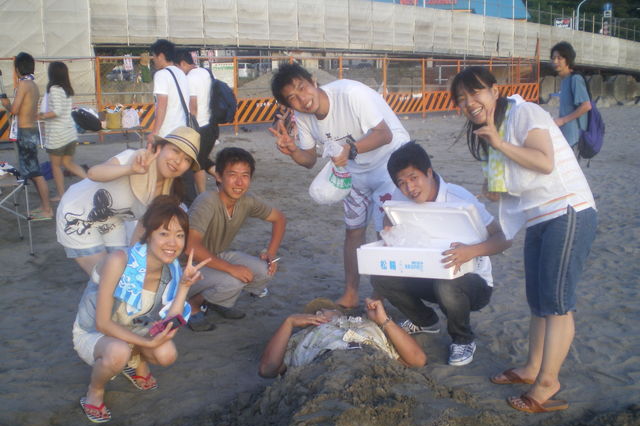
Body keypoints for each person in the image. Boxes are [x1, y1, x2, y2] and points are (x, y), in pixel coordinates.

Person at [450, 66, 597, 413]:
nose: (469, 103)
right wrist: (493, 188)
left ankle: (548, 381)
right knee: (538, 301)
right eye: (461, 99)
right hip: (539, 217)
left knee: (557, 302)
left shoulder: (524, 112)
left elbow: (544, 162)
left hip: (568, 210)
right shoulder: (492, 130)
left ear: (494, 90)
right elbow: (512, 181)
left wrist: (499, 144)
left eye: (475, 93)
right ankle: (533, 367)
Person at [269, 63, 409, 312]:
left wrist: (350, 149)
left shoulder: (350, 94)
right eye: (292, 98)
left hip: (390, 162)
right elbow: (309, 160)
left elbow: (384, 134)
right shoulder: (303, 117)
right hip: (353, 168)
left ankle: (379, 295)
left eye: (302, 87)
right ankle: (351, 293)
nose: (302, 99)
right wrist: (292, 150)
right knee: (353, 230)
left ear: (313, 81)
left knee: (384, 231)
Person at [371, 141, 511, 366]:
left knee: (447, 282)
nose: (409, 188)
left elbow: (504, 238)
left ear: (429, 172)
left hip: (472, 282)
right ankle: (424, 321)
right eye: (402, 183)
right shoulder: (399, 197)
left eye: (413, 178)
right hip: (425, 273)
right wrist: (389, 230)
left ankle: (463, 338)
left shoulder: (459, 197)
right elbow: (388, 221)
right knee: (380, 277)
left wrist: (470, 251)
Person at [73, 195, 210, 423]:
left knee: (167, 354)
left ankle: (136, 360)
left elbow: (169, 321)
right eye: (164, 233)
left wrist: (185, 286)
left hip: (134, 327)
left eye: (179, 235)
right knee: (118, 352)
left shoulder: (173, 270)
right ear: (148, 234)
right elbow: (102, 323)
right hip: (96, 332)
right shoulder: (120, 261)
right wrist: (147, 343)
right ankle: (94, 391)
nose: (172, 243)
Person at [56, 126, 201, 276]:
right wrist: (131, 169)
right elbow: (93, 173)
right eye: (175, 151)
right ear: (160, 148)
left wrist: (133, 265)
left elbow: (141, 228)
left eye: (187, 159)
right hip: (78, 213)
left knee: (123, 273)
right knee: (104, 276)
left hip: (113, 220)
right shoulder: (134, 158)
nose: (178, 161)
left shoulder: (167, 193)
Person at [186, 147, 286, 329]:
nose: (239, 182)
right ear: (218, 176)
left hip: (215, 256)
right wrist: (231, 268)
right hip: (186, 266)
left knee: (265, 269)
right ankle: (192, 305)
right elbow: (191, 248)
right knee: (234, 278)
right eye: (232, 174)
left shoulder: (247, 200)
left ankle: (215, 301)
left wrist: (271, 253)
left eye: (245, 176)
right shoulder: (207, 201)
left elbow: (279, 218)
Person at [259, 298, 427, 378]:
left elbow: (418, 359)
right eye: (313, 314)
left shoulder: (370, 325)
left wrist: (383, 321)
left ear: (339, 313)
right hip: (324, 369)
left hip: (371, 364)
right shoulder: (303, 336)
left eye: (322, 310)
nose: (317, 314)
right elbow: (267, 369)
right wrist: (289, 323)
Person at [0, 52, 53, 220]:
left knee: (35, 173)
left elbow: (15, 110)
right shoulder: (32, 84)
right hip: (30, 131)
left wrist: (6, 104)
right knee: (33, 172)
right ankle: (44, 206)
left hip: (26, 133)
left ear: (17, 69)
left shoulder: (23, 84)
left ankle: (47, 209)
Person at [38, 61, 86, 201]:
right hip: (70, 134)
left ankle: (61, 194)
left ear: (52, 74)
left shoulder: (54, 89)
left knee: (56, 166)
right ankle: (92, 181)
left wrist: (40, 116)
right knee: (68, 164)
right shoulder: (67, 90)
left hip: (57, 136)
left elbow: (56, 112)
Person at [176, 48, 218, 205]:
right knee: (202, 161)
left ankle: (202, 196)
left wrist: (188, 129)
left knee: (197, 164)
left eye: (177, 67)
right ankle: (219, 181)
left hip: (199, 127)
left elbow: (193, 108)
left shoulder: (190, 78)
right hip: (211, 125)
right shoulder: (205, 72)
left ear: (182, 63)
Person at [146, 39, 190, 146]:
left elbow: (162, 106)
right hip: (181, 130)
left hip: (167, 133)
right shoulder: (181, 73)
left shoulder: (161, 75)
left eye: (154, 56)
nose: (153, 60)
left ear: (161, 56)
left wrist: (155, 132)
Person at [550, 41, 591, 152]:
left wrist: (563, 120)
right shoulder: (565, 80)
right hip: (567, 136)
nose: (555, 61)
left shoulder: (575, 79)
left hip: (575, 138)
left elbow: (586, 106)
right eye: (553, 58)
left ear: (568, 60)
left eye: (559, 58)